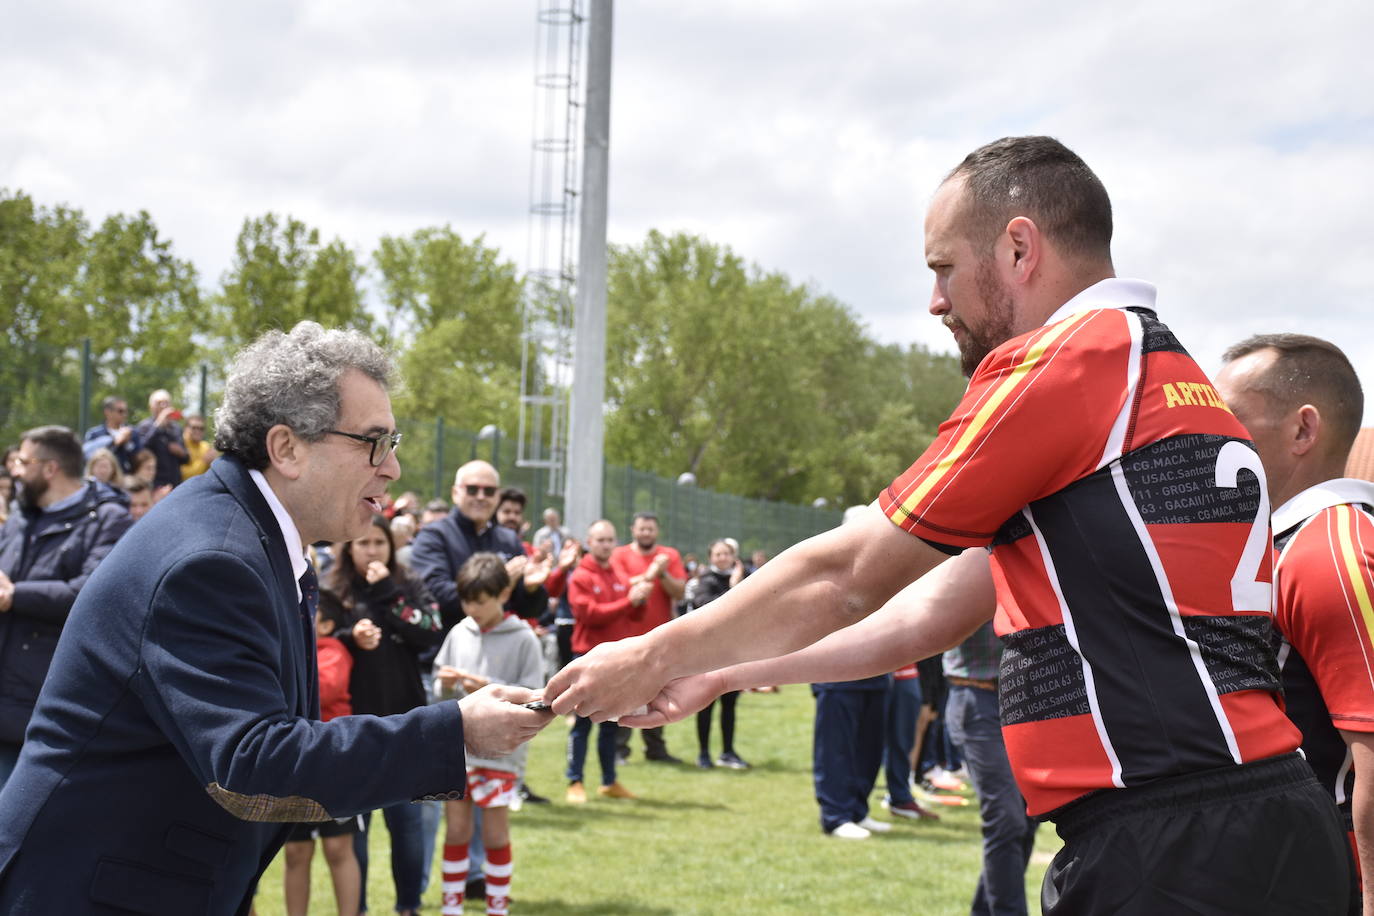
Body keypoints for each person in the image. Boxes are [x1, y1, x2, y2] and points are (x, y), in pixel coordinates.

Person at [546, 136, 1349, 914]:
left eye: (943, 269)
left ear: (1019, 248)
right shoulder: (1168, 377)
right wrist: (718, 674)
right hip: (1249, 815)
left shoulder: (1071, 362)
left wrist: (650, 651)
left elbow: (849, 575)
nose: (935, 301)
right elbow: (922, 617)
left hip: (1175, 842)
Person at [0, 321, 551, 914]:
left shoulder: (253, 540)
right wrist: (456, 730)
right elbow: (254, 760)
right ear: (287, 448)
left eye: (393, 444)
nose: (391, 469)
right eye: (374, 442)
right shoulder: (213, 559)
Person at [1214, 333, 1372, 913]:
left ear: (1304, 430)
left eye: (1227, 417)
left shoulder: (1331, 546)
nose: (1208, 436)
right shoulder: (1284, 542)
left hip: (1327, 876)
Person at [321, 513, 444, 916]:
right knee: (356, 830)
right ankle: (356, 909)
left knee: (407, 825)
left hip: (405, 724)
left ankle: (408, 906)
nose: (371, 550)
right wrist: (348, 637)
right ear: (348, 547)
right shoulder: (335, 590)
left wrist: (389, 592)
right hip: (351, 729)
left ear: (391, 547)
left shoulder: (406, 584)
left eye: (379, 543)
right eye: (363, 543)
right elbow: (314, 642)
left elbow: (430, 630)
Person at [0, 427, 132, 789]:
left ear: (49, 468)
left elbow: (90, 596)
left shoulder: (109, 520)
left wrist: (15, 595)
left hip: (42, 714)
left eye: (23, 462)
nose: (14, 470)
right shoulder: (20, 519)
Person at [433, 553, 545, 916]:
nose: (472, 609)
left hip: (500, 753)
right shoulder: (458, 631)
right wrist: (444, 683)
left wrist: (489, 688)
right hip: (457, 751)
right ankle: (452, 907)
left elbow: (535, 697)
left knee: (496, 835)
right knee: (456, 832)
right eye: (467, 601)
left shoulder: (524, 638)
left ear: (503, 594)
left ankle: (497, 907)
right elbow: (440, 691)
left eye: (480, 602)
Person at [943, 622, 1039, 916]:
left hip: (1025, 700)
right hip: (978, 699)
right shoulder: (967, 577)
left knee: (1027, 818)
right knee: (1007, 819)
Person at [281, 605, 362, 916]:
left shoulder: (334, 650)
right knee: (295, 851)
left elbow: (324, 690)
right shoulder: (287, 646)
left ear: (326, 625)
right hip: (294, 762)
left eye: (308, 614)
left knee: (338, 847)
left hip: (336, 762)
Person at [564, 519, 652, 801]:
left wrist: (639, 600)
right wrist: (629, 601)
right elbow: (589, 615)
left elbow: (633, 615)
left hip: (617, 659)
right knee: (582, 724)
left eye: (610, 539)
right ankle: (574, 781)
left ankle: (608, 780)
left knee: (611, 723)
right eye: (600, 540)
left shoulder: (618, 573)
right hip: (587, 658)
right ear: (589, 542)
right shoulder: (581, 575)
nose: (605, 545)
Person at [610, 512, 686, 764]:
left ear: (657, 531)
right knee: (623, 691)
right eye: (642, 529)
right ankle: (619, 748)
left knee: (658, 691)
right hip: (626, 634)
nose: (646, 533)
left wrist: (662, 573)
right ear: (633, 529)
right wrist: (652, 572)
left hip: (659, 635)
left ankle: (656, 748)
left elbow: (679, 591)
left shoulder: (669, 556)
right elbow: (619, 585)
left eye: (650, 529)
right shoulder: (620, 554)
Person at [683, 538, 749, 769]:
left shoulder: (743, 580)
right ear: (711, 558)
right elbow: (707, 608)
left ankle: (728, 751)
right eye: (718, 554)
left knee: (730, 704)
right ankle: (703, 753)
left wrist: (737, 585)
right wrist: (733, 588)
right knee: (706, 703)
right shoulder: (706, 581)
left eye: (726, 554)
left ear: (733, 556)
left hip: (733, 651)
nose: (722, 558)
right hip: (709, 653)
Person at [133, 388, 189, 489]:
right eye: (159, 403)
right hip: (153, 484)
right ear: (151, 407)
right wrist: (158, 425)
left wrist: (181, 452)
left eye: (166, 403)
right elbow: (141, 450)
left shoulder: (176, 428)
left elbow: (187, 459)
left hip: (175, 484)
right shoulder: (144, 426)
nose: (164, 406)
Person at [82, 395, 138, 472]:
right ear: (107, 412)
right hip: (102, 480)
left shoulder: (133, 432)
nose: (125, 414)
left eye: (126, 411)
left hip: (127, 480)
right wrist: (114, 443)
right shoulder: (94, 433)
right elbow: (87, 456)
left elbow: (140, 459)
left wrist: (128, 444)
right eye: (120, 411)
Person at [181, 412, 219, 480]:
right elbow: (183, 475)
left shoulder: (205, 446)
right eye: (194, 427)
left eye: (201, 428)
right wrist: (203, 462)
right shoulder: (180, 444)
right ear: (185, 428)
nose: (198, 431)